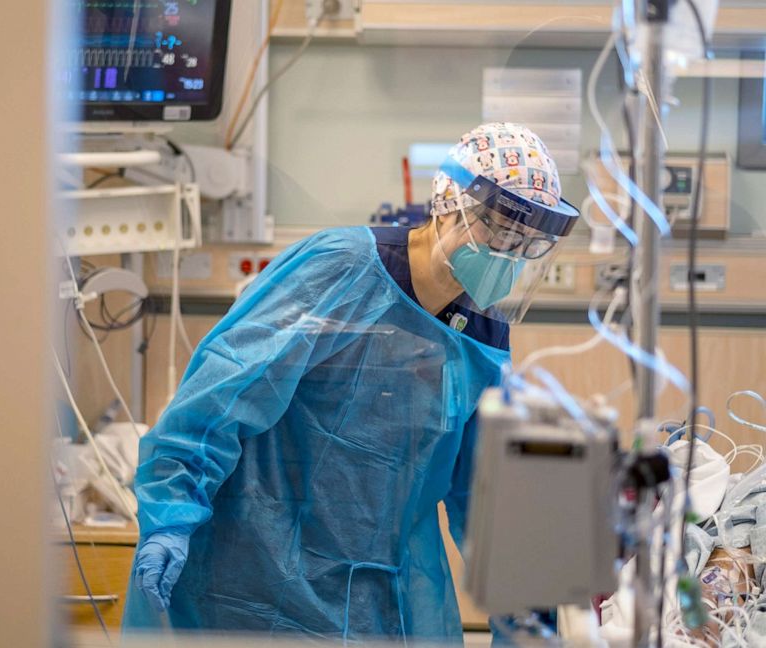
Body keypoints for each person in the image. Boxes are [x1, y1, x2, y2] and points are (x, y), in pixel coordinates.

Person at [122, 122, 580, 643]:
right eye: (498, 230)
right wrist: (170, 515)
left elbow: (487, 495)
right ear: (449, 203)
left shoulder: (481, 338)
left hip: (378, 606)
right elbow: (219, 396)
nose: (507, 253)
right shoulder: (341, 270)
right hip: (248, 583)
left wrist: (523, 614)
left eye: (526, 243)